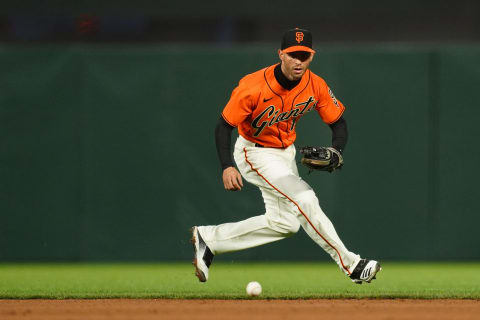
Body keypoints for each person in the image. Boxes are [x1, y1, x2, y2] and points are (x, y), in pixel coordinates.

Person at [191, 28, 381, 284]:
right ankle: (352, 265)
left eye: (304, 55)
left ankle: (210, 238)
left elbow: (339, 124)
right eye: (293, 55)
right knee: (305, 199)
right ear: (281, 54)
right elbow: (223, 126)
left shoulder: (316, 85)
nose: (298, 61)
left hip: (285, 154)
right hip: (254, 153)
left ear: (311, 57)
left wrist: (337, 150)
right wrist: (226, 165)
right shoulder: (253, 86)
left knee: (285, 224)